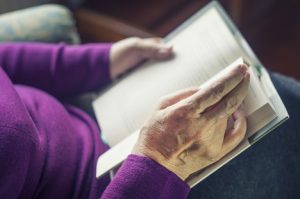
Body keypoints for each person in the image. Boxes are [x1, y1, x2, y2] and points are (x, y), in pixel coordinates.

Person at [1, 5, 300, 199]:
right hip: (130, 185)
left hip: (90, 113)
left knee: (267, 90)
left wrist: (104, 61)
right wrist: (158, 162)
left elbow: (6, 60)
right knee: (279, 134)